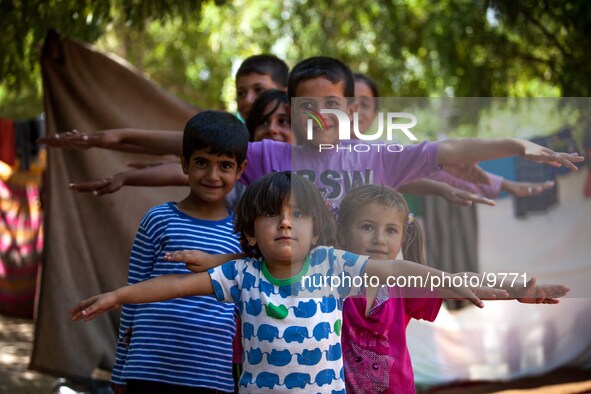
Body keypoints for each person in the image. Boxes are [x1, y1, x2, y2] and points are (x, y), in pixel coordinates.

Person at [71, 171, 511, 393]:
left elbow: (396, 270)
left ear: (316, 230)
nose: (285, 224)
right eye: (271, 215)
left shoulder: (332, 265)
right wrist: (118, 295)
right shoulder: (240, 275)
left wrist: (450, 282)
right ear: (249, 232)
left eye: (298, 215)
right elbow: (172, 286)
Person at [336, 184, 569, 393]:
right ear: (343, 233)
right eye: (367, 227)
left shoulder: (403, 285)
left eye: (391, 230)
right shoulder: (329, 281)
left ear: (402, 236)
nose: (380, 239)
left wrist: (516, 290)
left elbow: (458, 281)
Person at [108, 111, 248, 394]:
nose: (212, 175)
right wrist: (121, 368)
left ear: (241, 170)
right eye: (201, 163)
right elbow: (133, 290)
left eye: (224, 165)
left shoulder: (244, 234)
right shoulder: (157, 219)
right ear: (184, 164)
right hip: (147, 366)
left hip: (210, 371)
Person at [353, 72, 557, 198]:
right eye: (348, 100)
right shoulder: (322, 150)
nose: (355, 109)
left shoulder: (381, 154)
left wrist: (507, 183)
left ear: (374, 115)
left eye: (364, 104)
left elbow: (442, 168)